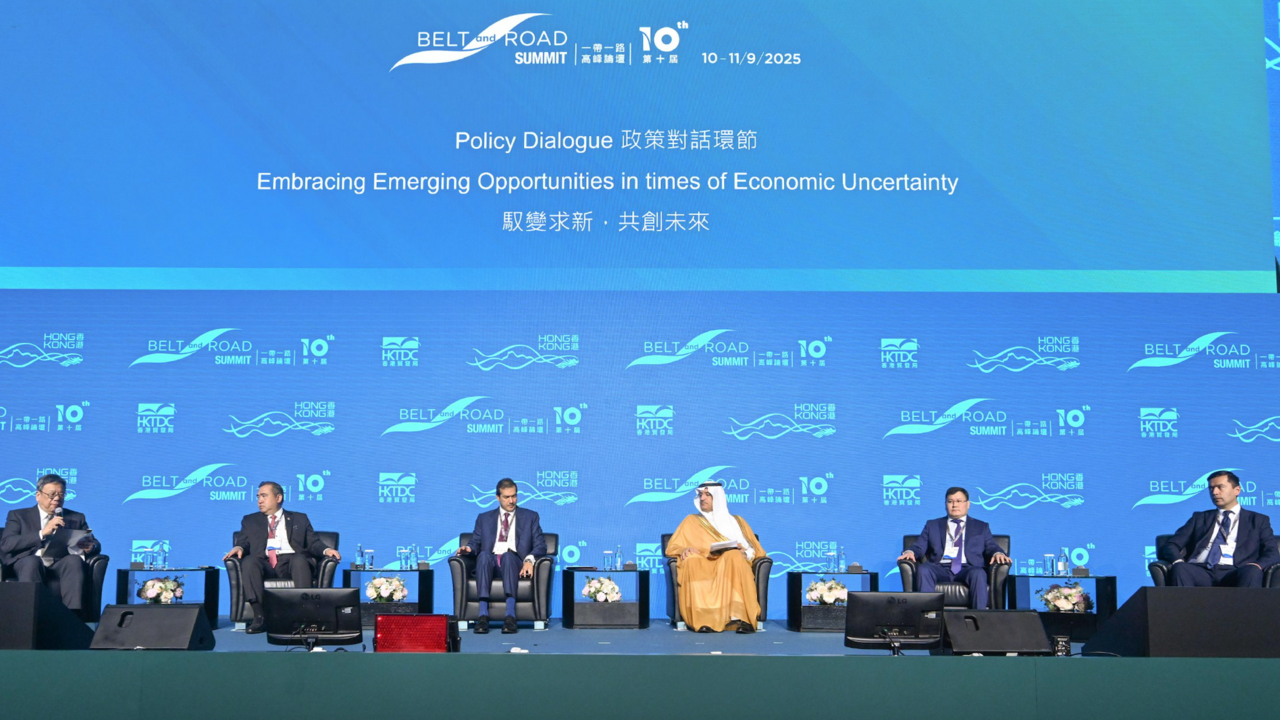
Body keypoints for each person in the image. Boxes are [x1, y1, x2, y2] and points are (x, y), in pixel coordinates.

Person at [223, 481, 340, 633]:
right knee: (249, 561)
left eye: (264, 496)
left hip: (291, 562)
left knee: (299, 559)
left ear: (278, 498)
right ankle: (259, 616)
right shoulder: (250, 520)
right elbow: (243, 541)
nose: (259, 500)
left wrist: (326, 550)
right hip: (264, 564)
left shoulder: (300, 518)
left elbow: (313, 543)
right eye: (258, 496)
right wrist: (238, 547)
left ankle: (303, 616)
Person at [664, 482, 766, 633]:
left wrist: (746, 553)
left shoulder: (737, 522)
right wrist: (685, 549)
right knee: (692, 560)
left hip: (731, 563)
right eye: (700, 495)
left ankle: (742, 618)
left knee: (733, 555)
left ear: (718, 497)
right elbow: (672, 547)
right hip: (703, 563)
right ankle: (703, 619)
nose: (702, 498)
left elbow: (754, 549)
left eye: (707, 495)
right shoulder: (691, 521)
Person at [456, 478, 547, 634]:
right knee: (483, 555)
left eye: (514, 496)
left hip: (514, 563)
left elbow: (541, 545)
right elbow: (475, 542)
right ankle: (483, 616)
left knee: (508, 556)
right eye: (506, 497)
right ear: (498, 497)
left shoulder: (530, 517)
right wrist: (468, 550)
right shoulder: (484, 518)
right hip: (489, 563)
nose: (511, 501)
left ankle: (510, 617)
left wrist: (529, 560)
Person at [0, 473, 100, 615]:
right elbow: (6, 544)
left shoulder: (76, 517)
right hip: (28, 562)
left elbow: (95, 543)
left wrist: (91, 546)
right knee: (32, 561)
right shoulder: (18, 515)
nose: (57, 499)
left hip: (59, 563)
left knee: (74, 560)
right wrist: (42, 533)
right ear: (38, 495)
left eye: (61, 494)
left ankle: (72, 617)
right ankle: (32, 615)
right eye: (52, 495)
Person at [897, 486, 1010, 609]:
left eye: (959, 501)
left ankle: (980, 619)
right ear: (945, 504)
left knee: (979, 573)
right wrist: (910, 552)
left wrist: (998, 553)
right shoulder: (932, 525)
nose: (954, 505)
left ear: (968, 504)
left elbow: (991, 546)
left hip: (968, 568)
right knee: (924, 569)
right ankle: (927, 618)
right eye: (950, 501)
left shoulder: (981, 527)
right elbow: (919, 546)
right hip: (940, 567)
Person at [1162, 470, 1279, 587]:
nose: (1215, 492)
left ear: (1237, 490)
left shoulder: (1258, 520)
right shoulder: (1199, 518)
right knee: (1181, 568)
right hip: (1201, 570)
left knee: (1252, 571)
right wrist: (1178, 561)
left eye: (1220, 487)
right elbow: (1171, 545)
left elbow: (1272, 552)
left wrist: (1257, 566)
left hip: (1237, 570)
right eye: (1211, 488)